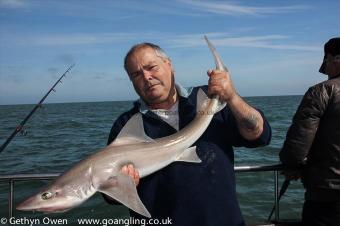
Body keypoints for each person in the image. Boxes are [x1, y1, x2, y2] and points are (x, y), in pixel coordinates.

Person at [104, 42, 271, 226]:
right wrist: (120, 186)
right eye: (136, 74)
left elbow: (258, 134)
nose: (146, 77)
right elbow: (110, 197)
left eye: (151, 67)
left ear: (169, 64)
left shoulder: (209, 97)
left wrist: (231, 97)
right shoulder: (126, 126)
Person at [280, 37, 340, 226]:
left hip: (328, 193)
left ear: (331, 58)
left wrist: (292, 166)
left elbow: (299, 140)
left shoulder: (323, 91)